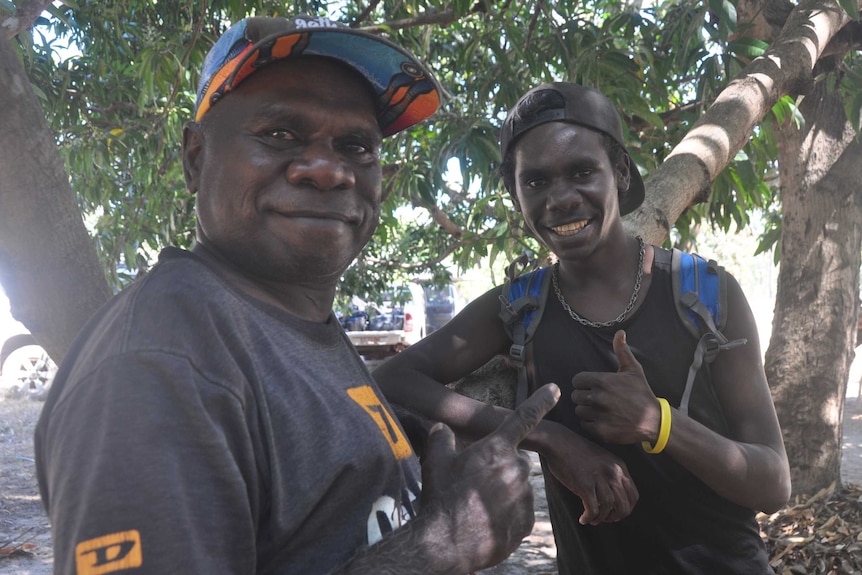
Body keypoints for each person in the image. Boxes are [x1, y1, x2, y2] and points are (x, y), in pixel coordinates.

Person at [34, 15, 562, 575]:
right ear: (195, 157)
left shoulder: (290, 322)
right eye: (280, 135)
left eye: (356, 145)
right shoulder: (157, 367)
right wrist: (440, 546)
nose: (328, 171)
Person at [375, 82, 791, 574]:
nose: (561, 199)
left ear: (618, 171)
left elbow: (773, 484)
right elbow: (391, 380)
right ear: (516, 196)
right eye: (535, 183)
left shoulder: (705, 294)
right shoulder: (518, 307)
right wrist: (550, 438)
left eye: (582, 172)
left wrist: (659, 423)